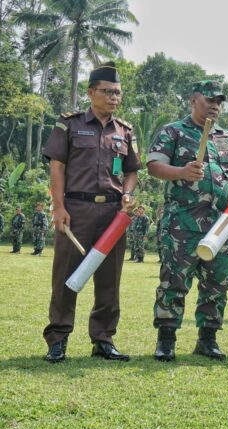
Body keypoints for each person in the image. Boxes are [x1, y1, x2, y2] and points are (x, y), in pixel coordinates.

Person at [42, 62, 140, 362]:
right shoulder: (69, 124)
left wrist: (127, 194)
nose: (114, 98)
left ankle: (103, 339)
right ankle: (57, 339)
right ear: (91, 92)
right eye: (108, 92)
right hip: (76, 211)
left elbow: (132, 171)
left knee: (109, 280)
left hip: (112, 214)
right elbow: (57, 166)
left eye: (118, 93)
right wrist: (58, 207)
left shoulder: (124, 130)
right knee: (65, 277)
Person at [147, 80, 228, 362]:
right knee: (174, 281)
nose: (215, 106)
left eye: (219, 101)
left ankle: (208, 339)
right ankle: (166, 341)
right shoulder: (174, 132)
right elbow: (154, 166)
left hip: (220, 224)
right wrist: (181, 171)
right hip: (182, 222)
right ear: (193, 100)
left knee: (217, 283)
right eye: (209, 100)